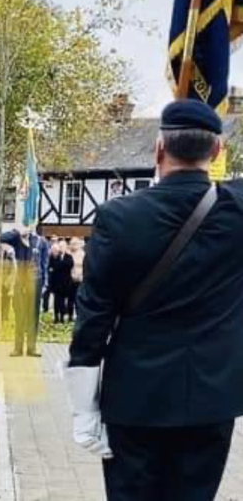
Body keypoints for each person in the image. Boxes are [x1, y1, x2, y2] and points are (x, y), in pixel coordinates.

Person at [67, 100, 243, 501]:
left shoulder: (117, 217)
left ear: (158, 150)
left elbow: (93, 317)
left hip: (135, 398)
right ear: (216, 153)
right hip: (212, 398)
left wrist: (83, 408)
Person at [0, 225, 49, 357]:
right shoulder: (17, 239)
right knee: (19, 315)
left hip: (35, 281)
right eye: (24, 226)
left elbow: (44, 264)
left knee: (33, 316)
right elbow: (2, 238)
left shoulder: (41, 241)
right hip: (20, 282)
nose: (26, 229)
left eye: (28, 226)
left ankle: (32, 348)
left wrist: (45, 284)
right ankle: (18, 348)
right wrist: (16, 232)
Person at [50, 240, 74, 323]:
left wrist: (58, 266)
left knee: (64, 301)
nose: (61, 248)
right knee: (56, 301)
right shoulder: (54, 256)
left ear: (66, 247)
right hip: (56, 283)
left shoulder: (69, 256)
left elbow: (69, 265)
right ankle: (56, 317)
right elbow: (52, 266)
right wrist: (59, 266)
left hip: (66, 283)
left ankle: (62, 317)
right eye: (60, 246)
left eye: (63, 246)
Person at [67, 237, 85, 322]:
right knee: (70, 299)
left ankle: (79, 315)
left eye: (75, 244)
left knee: (79, 299)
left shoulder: (83, 254)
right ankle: (70, 315)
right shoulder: (68, 254)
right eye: (71, 244)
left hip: (80, 279)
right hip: (70, 280)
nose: (73, 246)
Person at [43, 242, 60, 314]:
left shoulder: (60, 258)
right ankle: (45, 309)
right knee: (46, 295)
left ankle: (57, 309)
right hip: (49, 279)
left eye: (56, 250)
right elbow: (47, 267)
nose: (55, 252)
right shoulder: (48, 258)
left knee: (57, 296)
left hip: (57, 280)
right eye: (53, 250)